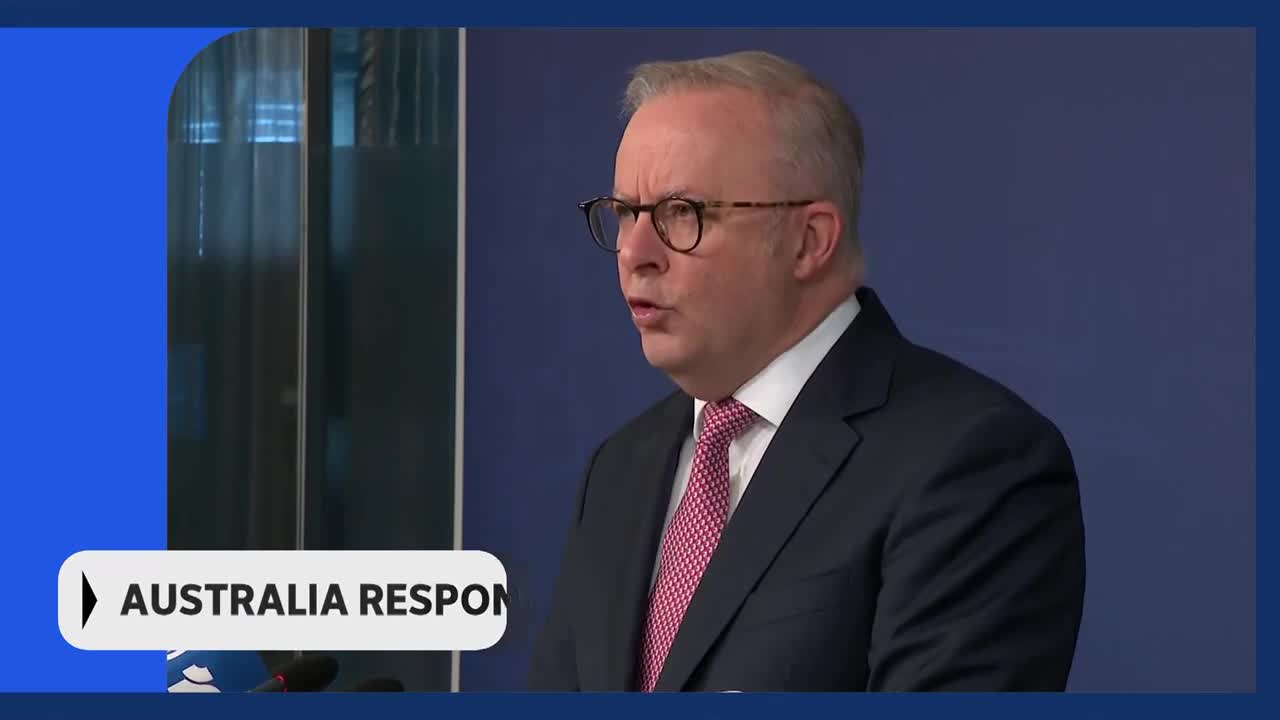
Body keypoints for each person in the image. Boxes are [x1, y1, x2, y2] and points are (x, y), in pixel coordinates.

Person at [528, 50, 1086, 692]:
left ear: (809, 240)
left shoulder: (973, 461)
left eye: (682, 212)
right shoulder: (619, 469)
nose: (634, 253)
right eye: (626, 212)